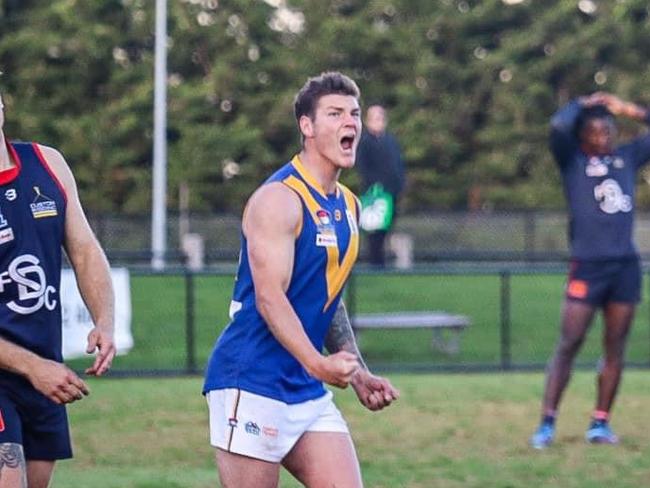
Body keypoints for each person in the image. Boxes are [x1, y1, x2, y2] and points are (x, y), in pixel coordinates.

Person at [203, 72, 399, 488]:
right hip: (251, 379)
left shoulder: (348, 205)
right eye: (334, 114)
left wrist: (359, 373)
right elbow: (270, 298)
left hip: (305, 387)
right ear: (306, 127)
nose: (350, 123)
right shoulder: (278, 200)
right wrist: (319, 364)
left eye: (354, 114)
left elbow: (326, 298)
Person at [0, 90, 116, 487]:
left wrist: (105, 320)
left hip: (43, 368)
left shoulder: (47, 163)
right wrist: (35, 368)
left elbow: (83, 249)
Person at [530, 92, 650, 449]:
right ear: (582, 135)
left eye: (608, 130)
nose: (603, 137)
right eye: (595, 132)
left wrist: (625, 107)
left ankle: (600, 423)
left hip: (624, 267)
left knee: (615, 347)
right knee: (569, 343)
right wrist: (584, 102)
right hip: (588, 266)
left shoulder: (626, 157)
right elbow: (557, 124)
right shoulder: (572, 161)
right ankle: (547, 423)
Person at [355, 104, 405, 267]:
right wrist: (375, 185)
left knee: (387, 226)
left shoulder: (390, 140)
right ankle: (375, 262)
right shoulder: (365, 142)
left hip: (391, 192)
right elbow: (363, 167)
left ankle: (381, 261)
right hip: (374, 194)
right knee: (374, 229)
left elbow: (397, 164)